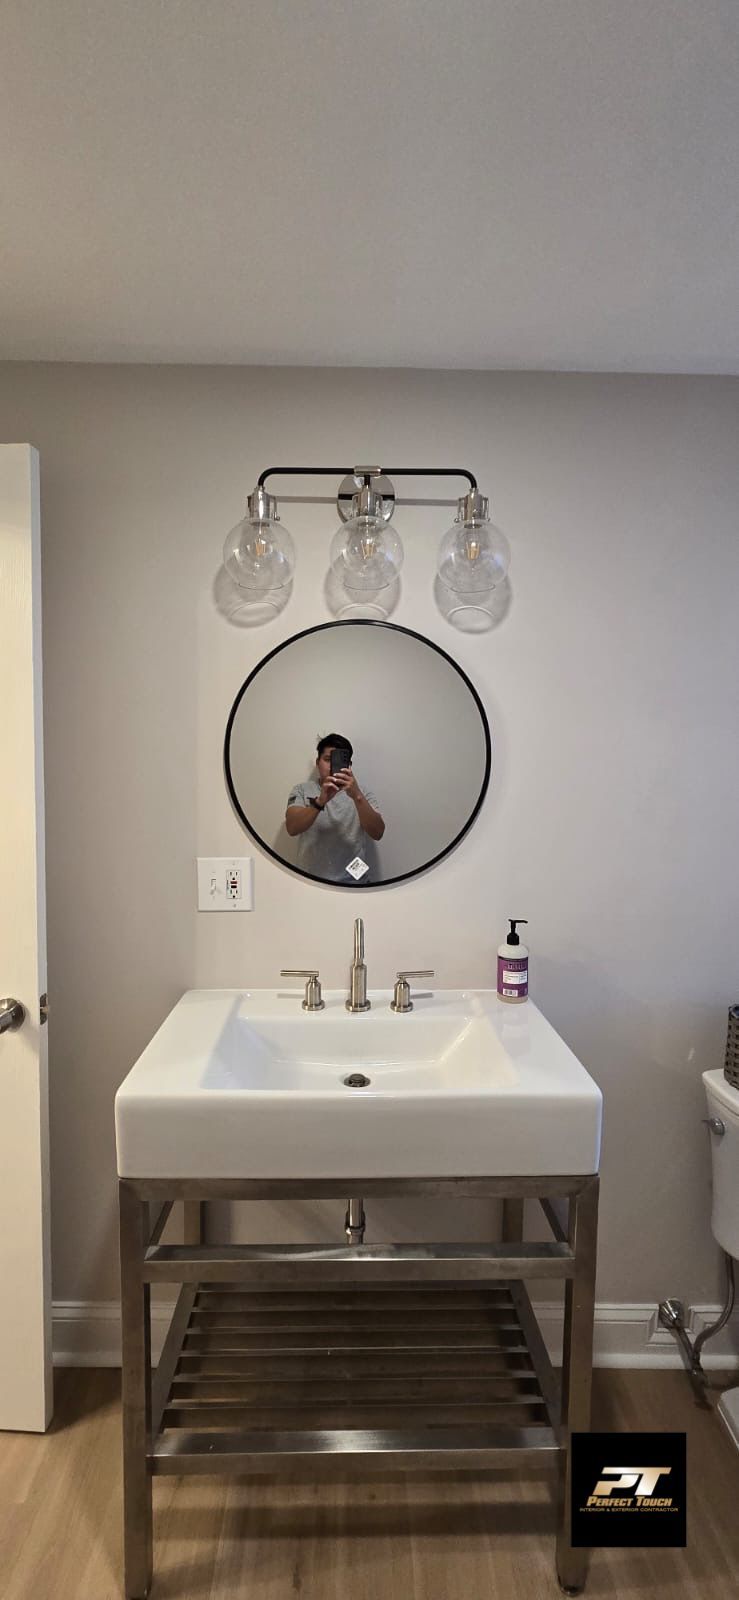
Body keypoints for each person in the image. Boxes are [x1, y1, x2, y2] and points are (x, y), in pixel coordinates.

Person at [285, 733, 385, 883]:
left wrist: (357, 796)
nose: (332, 765)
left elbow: (378, 833)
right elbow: (292, 827)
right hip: (309, 882)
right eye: (327, 759)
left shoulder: (362, 793)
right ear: (318, 762)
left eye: (338, 761)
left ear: (349, 765)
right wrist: (320, 801)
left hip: (354, 883)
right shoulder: (302, 790)